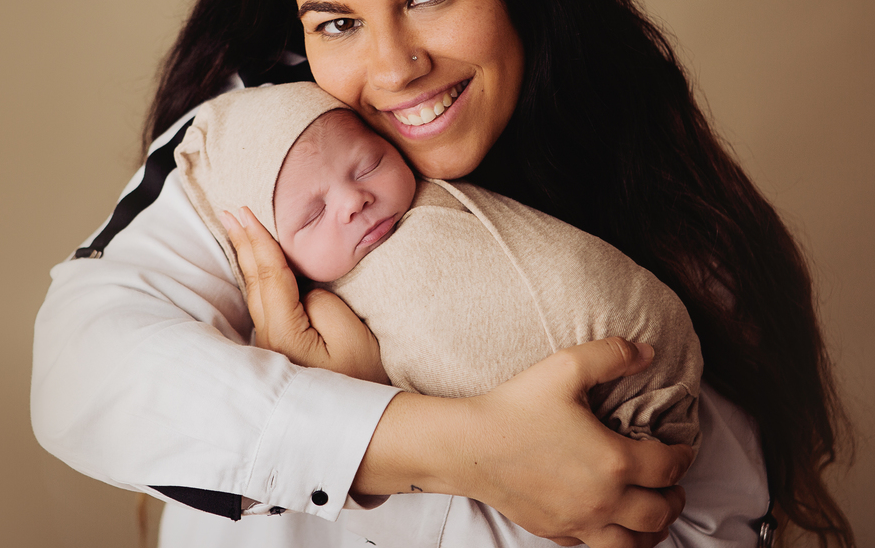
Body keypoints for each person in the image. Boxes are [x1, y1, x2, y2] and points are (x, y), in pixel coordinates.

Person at [31, 0, 853, 548]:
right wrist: (432, 445)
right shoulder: (266, 150)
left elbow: (699, 528)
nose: (394, 68)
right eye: (337, 23)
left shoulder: (667, 218)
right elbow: (82, 375)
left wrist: (402, 444)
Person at [174, 82, 702, 450]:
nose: (354, 201)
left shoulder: (441, 187)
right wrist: (350, 390)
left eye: (369, 165)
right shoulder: (324, 311)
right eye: (312, 215)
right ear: (272, 252)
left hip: (643, 351)